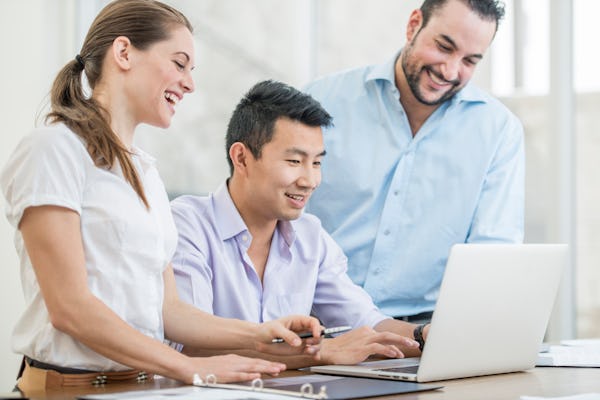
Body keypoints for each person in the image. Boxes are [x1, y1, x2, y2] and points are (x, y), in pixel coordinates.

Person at [0, 0, 322, 392]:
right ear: (123, 53)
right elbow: (70, 309)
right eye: (179, 63)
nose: (190, 83)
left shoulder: (146, 174)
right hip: (68, 388)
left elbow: (169, 312)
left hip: (141, 387)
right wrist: (189, 368)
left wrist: (259, 334)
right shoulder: (53, 150)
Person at [170, 80, 427, 370]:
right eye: (294, 161)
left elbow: (366, 323)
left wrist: (424, 336)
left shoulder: (310, 235)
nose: (309, 180)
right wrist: (321, 352)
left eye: (316, 163)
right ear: (241, 158)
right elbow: (192, 348)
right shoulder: (187, 225)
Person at [303, 0, 524, 322]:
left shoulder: (498, 131)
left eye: (469, 61)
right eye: (443, 47)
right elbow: (278, 222)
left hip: (428, 332)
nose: (449, 71)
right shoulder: (322, 102)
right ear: (413, 25)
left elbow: (492, 251)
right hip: (319, 324)